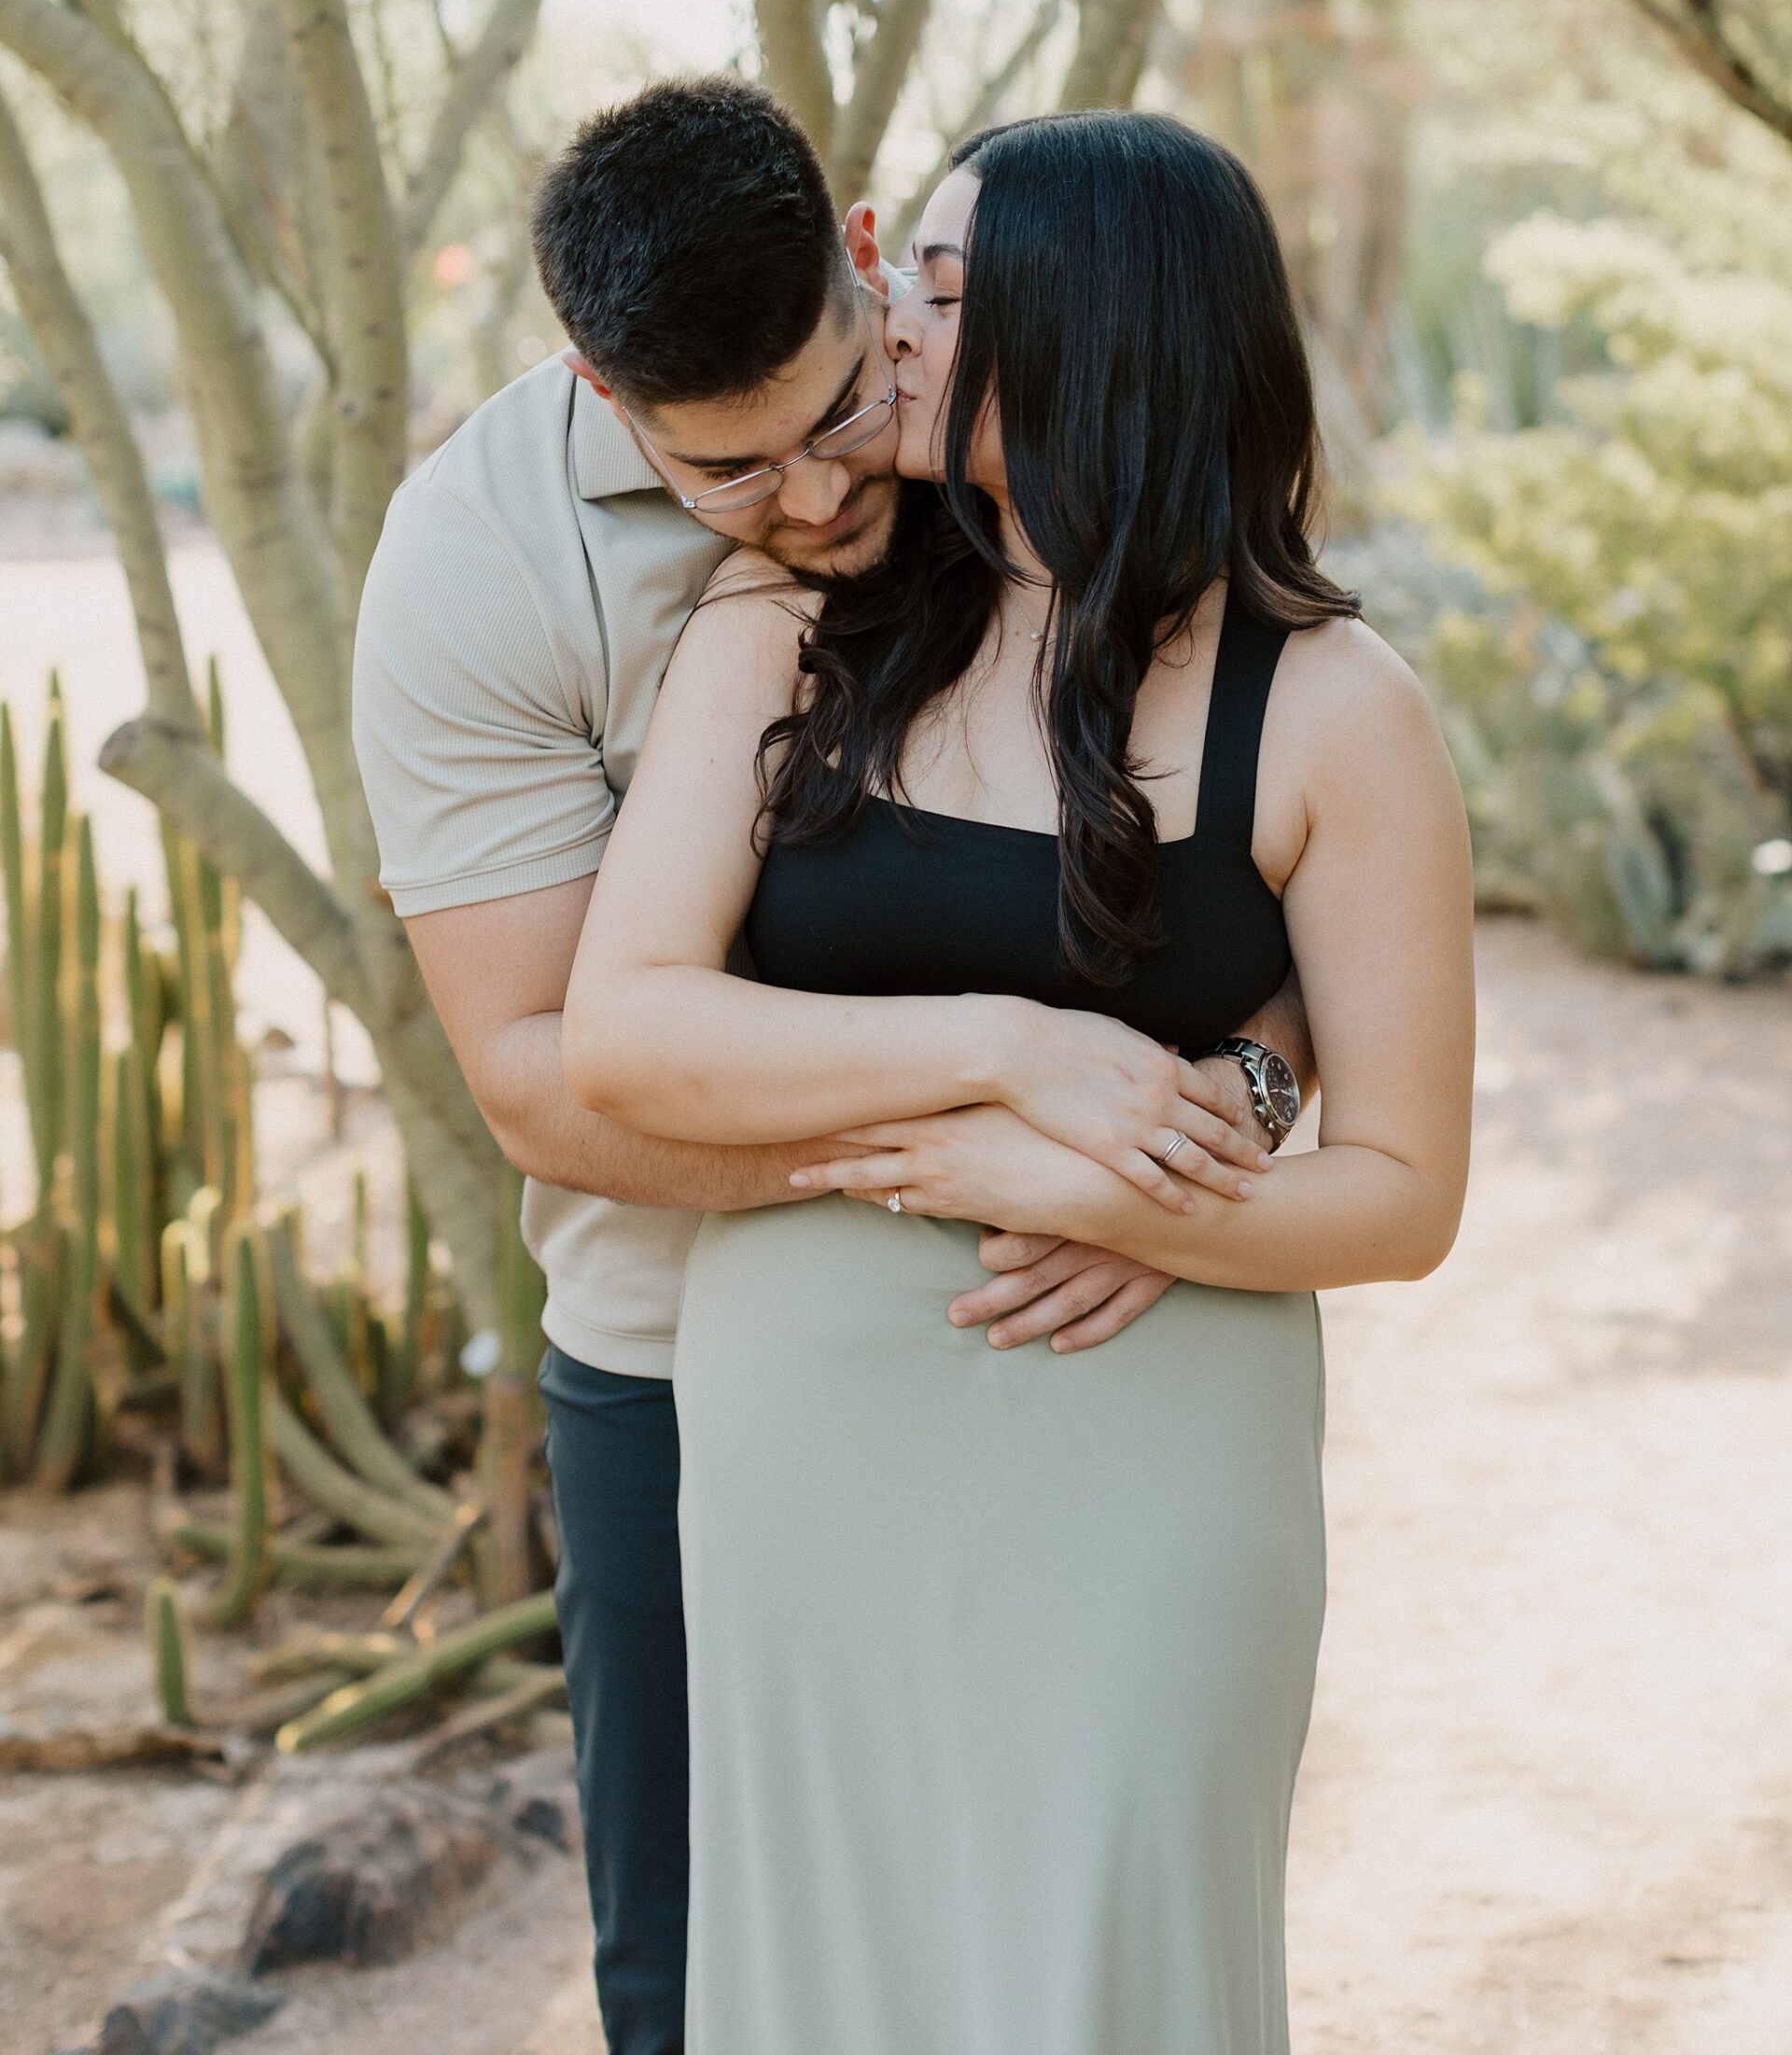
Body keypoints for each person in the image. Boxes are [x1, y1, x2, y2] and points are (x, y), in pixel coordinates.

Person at [351, 80, 1312, 2055]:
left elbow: (1259, 857)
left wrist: (1229, 1105)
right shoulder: (477, 568)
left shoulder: (1008, 419)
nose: (812, 496)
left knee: (1062, 1954)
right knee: (714, 1990)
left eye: (837, 408)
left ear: (873, 264)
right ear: (601, 387)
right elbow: (547, 1076)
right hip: (682, 1369)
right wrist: (1016, 1116)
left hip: (1084, 1351)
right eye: (731, 471)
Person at [561, 110, 1476, 2054]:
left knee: (1107, 1953)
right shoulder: (797, 616)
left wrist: (1107, 1189)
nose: (887, 315)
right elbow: (630, 1027)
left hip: (1143, 1434)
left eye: (944, 286)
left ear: (1098, 329)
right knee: (835, 1968)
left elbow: (1405, 1191)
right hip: (802, 1442)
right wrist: (1016, 1060)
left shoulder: (1332, 707)